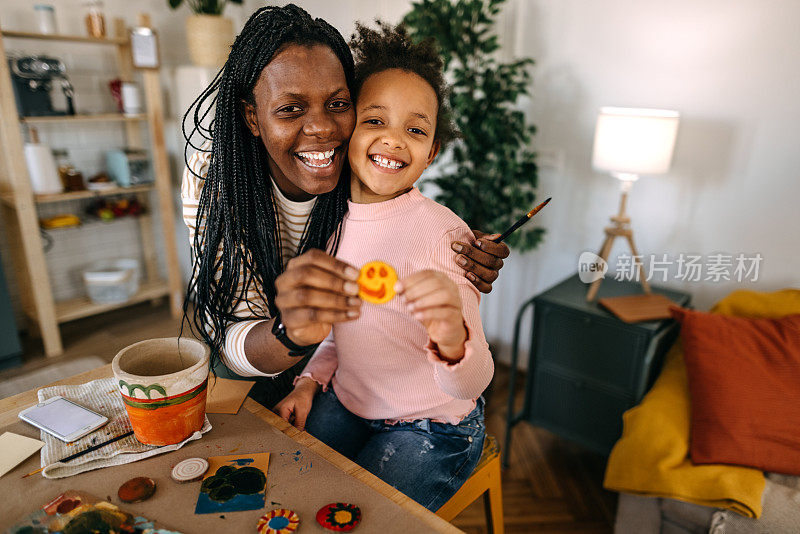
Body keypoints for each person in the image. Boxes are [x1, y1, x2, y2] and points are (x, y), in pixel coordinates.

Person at [181, 5, 509, 410]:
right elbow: (232, 334)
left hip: (351, 371)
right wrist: (291, 335)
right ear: (252, 116)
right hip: (257, 352)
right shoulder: (214, 175)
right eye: (290, 108)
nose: (321, 129)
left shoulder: (355, 177)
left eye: (337, 104)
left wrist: (459, 247)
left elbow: (400, 227)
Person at [274, 22, 493, 511]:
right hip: (350, 402)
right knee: (287, 491)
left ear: (431, 152)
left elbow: (473, 382)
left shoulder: (445, 236)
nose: (394, 140)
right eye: (376, 120)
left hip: (432, 425)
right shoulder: (332, 219)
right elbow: (336, 328)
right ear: (347, 126)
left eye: (415, 130)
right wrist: (310, 381)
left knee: (356, 517)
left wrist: (453, 339)